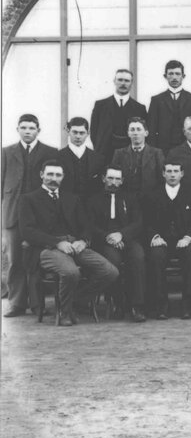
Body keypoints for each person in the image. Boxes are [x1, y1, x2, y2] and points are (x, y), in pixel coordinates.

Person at [19, 161, 118, 325]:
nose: (53, 178)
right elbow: (27, 231)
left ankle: (76, 301)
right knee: (71, 272)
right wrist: (56, 243)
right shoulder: (28, 199)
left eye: (58, 175)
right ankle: (64, 312)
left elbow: (86, 225)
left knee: (110, 272)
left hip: (74, 245)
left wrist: (83, 241)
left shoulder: (71, 198)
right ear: (41, 175)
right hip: (46, 248)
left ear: (63, 177)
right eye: (50, 174)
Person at [2, 114, 58, 316]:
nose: (27, 131)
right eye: (23, 127)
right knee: (15, 260)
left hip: (38, 215)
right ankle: (16, 303)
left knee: (35, 260)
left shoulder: (50, 152)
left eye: (31, 128)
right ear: (17, 129)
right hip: (13, 214)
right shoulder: (6, 152)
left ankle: (37, 304)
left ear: (38, 130)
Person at [87, 165, 146, 322]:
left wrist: (122, 235)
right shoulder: (93, 200)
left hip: (127, 238)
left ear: (122, 181)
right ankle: (117, 303)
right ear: (103, 179)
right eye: (110, 178)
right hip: (105, 241)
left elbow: (138, 222)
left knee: (138, 257)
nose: (113, 182)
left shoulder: (130, 198)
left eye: (117, 179)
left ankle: (137, 305)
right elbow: (90, 225)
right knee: (113, 261)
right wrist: (109, 237)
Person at [142, 161, 191, 320]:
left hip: (184, 239)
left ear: (182, 173)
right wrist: (155, 236)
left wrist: (188, 237)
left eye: (176, 171)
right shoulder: (153, 194)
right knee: (156, 256)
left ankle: (188, 303)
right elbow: (146, 221)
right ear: (163, 174)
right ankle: (161, 304)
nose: (172, 174)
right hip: (163, 240)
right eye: (169, 171)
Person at [90, 68, 147, 163]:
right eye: (120, 80)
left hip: (130, 155)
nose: (123, 83)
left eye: (127, 81)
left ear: (131, 83)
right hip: (105, 154)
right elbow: (94, 132)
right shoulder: (100, 105)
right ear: (114, 81)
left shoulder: (139, 108)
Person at [147, 60, 191, 151]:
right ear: (165, 76)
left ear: (183, 76)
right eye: (171, 74)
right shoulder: (156, 100)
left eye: (177, 74)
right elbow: (151, 129)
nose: (174, 77)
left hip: (187, 149)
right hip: (163, 149)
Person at [112, 117, 164, 197]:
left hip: (150, 199)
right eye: (132, 130)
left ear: (146, 133)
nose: (135, 133)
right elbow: (115, 178)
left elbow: (162, 179)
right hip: (126, 199)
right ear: (128, 133)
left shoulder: (156, 153)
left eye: (139, 129)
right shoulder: (119, 153)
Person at [57, 117, 104, 197]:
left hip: (90, 205)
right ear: (68, 131)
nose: (78, 136)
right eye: (74, 132)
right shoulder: (58, 156)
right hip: (66, 204)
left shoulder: (97, 158)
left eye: (82, 133)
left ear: (88, 133)